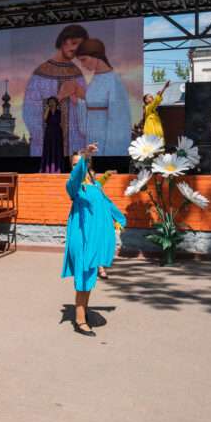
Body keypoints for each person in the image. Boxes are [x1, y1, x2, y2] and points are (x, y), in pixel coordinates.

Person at [62, 143, 126, 337]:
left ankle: (84, 312)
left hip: (94, 238)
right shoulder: (75, 186)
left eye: (80, 163)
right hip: (81, 238)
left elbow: (106, 202)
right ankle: (80, 321)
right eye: (74, 164)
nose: (77, 166)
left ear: (89, 165)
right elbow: (75, 177)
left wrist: (119, 218)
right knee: (83, 277)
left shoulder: (96, 185)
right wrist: (84, 158)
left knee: (89, 277)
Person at [23, 24, 89, 156]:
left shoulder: (77, 74)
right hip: (48, 147)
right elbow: (30, 113)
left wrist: (82, 100)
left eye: (79, 46)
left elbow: (88, 115)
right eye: (73, 42)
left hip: (74, 148)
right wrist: (60, 96)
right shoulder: (41, 73)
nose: (75, 48)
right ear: (62, 41)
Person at [75, 39, 131, 156]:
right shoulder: (96, 77)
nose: (83, 65)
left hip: (106, 143)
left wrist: (110, 153)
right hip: (93, 138)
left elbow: (118, 120)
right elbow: (96, 106)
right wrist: (81, 98)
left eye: (84, 59)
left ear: (96, 55)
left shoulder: (113, 80)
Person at [39, 97, 64, 173]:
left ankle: (57, 168)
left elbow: (63, 124)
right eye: (50, 102)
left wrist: (64, 134)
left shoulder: (59, 112)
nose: (52, 103)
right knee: (48, 149)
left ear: (56, 103)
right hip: (49, 132)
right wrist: (48, 109)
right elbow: (44, 118)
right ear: (48, 103)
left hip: (57, 132)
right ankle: (47, 169)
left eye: (53, 101)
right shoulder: (47, 111)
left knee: (57, 149)